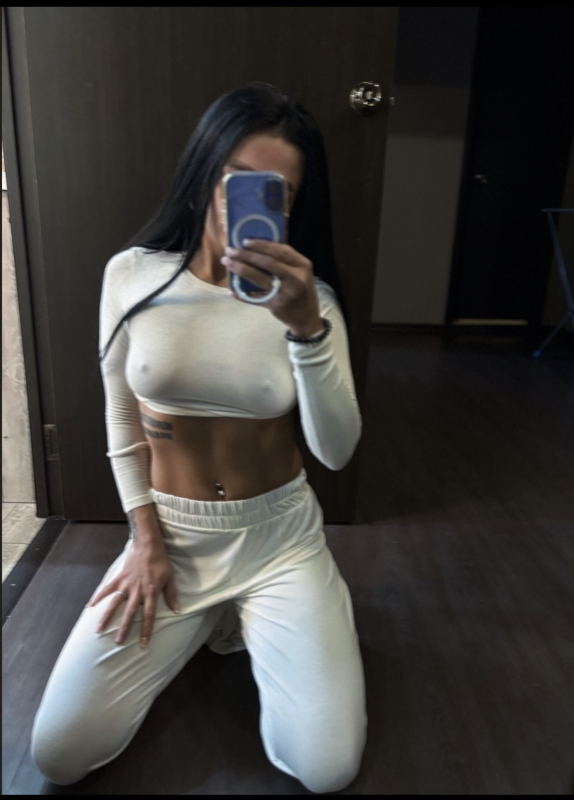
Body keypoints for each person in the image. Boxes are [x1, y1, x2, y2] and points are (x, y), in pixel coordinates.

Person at [30, 82, 367, 794]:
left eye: (274, 190)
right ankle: (212, 621)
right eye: (232, 177)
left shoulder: (310, 301)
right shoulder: (131, 276)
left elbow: (336, 453)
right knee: (58, 752)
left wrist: (305, 330)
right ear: (203, 169)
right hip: (172, 539)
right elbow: (121, 415)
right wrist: (144, 539)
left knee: (327, 769)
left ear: (293, 204)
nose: (242, 200)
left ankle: (260, 613)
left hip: (278, 541)